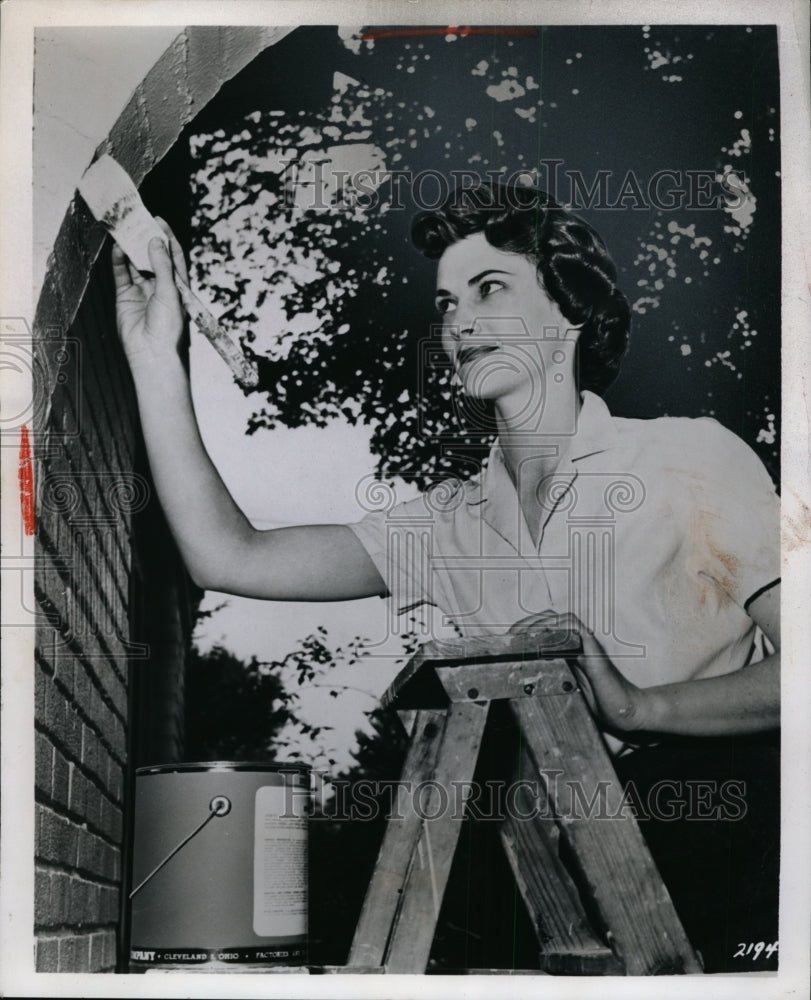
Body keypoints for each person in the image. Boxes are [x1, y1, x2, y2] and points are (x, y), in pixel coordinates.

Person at [113, 181, 780, 973]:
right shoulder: (445, 523)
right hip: (554, 885)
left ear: (568, 312)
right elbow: (228, 556)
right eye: (446, 303)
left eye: (489, 288)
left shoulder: (691, 457)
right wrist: (154, 354)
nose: (458, 321)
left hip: (726, 842)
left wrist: (640, 706)